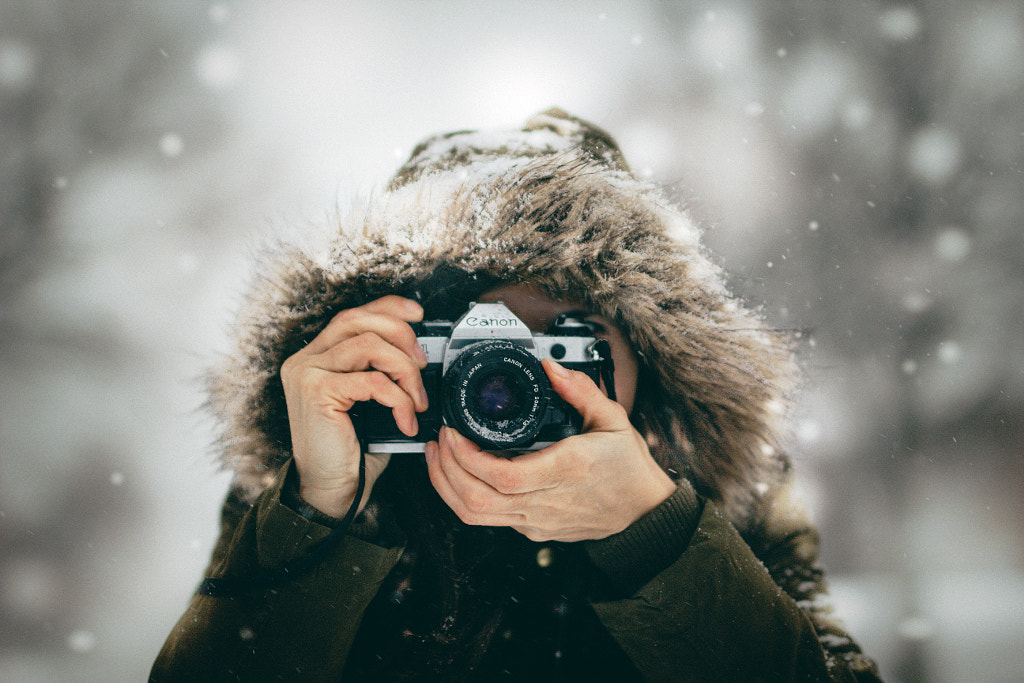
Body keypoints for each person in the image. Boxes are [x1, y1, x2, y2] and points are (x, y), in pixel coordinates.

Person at [151, 109, 882, 681]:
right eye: (482, 344)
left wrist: (656, 533)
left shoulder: (725, 498)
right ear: (413, 345)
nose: (512, 381)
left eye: (566, 340)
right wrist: (320, 509)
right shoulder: (331, 480)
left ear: (649, 351)